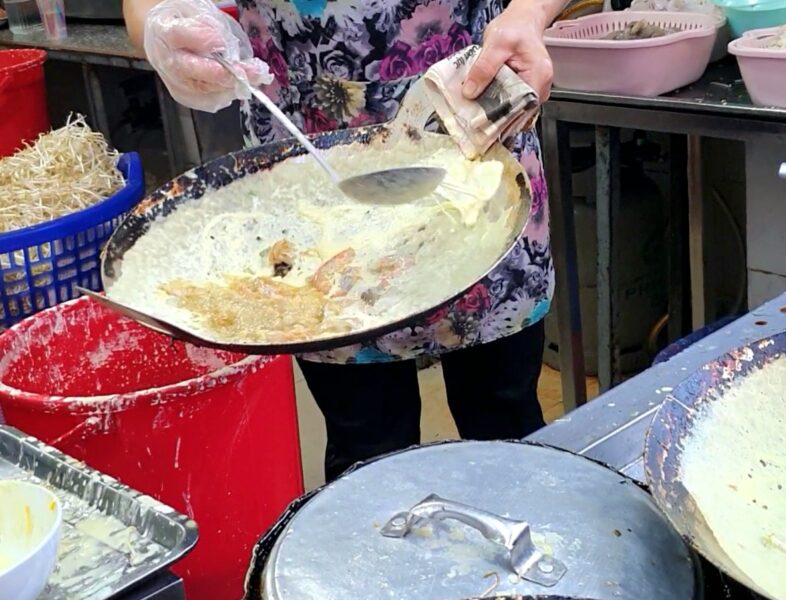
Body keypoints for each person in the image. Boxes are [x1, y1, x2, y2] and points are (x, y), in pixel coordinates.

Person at [124, 0, 566, 481]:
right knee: (366, 448)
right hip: (309, 178)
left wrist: (529, 13)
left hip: (475, 145)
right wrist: (162, 25)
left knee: (504, 422)